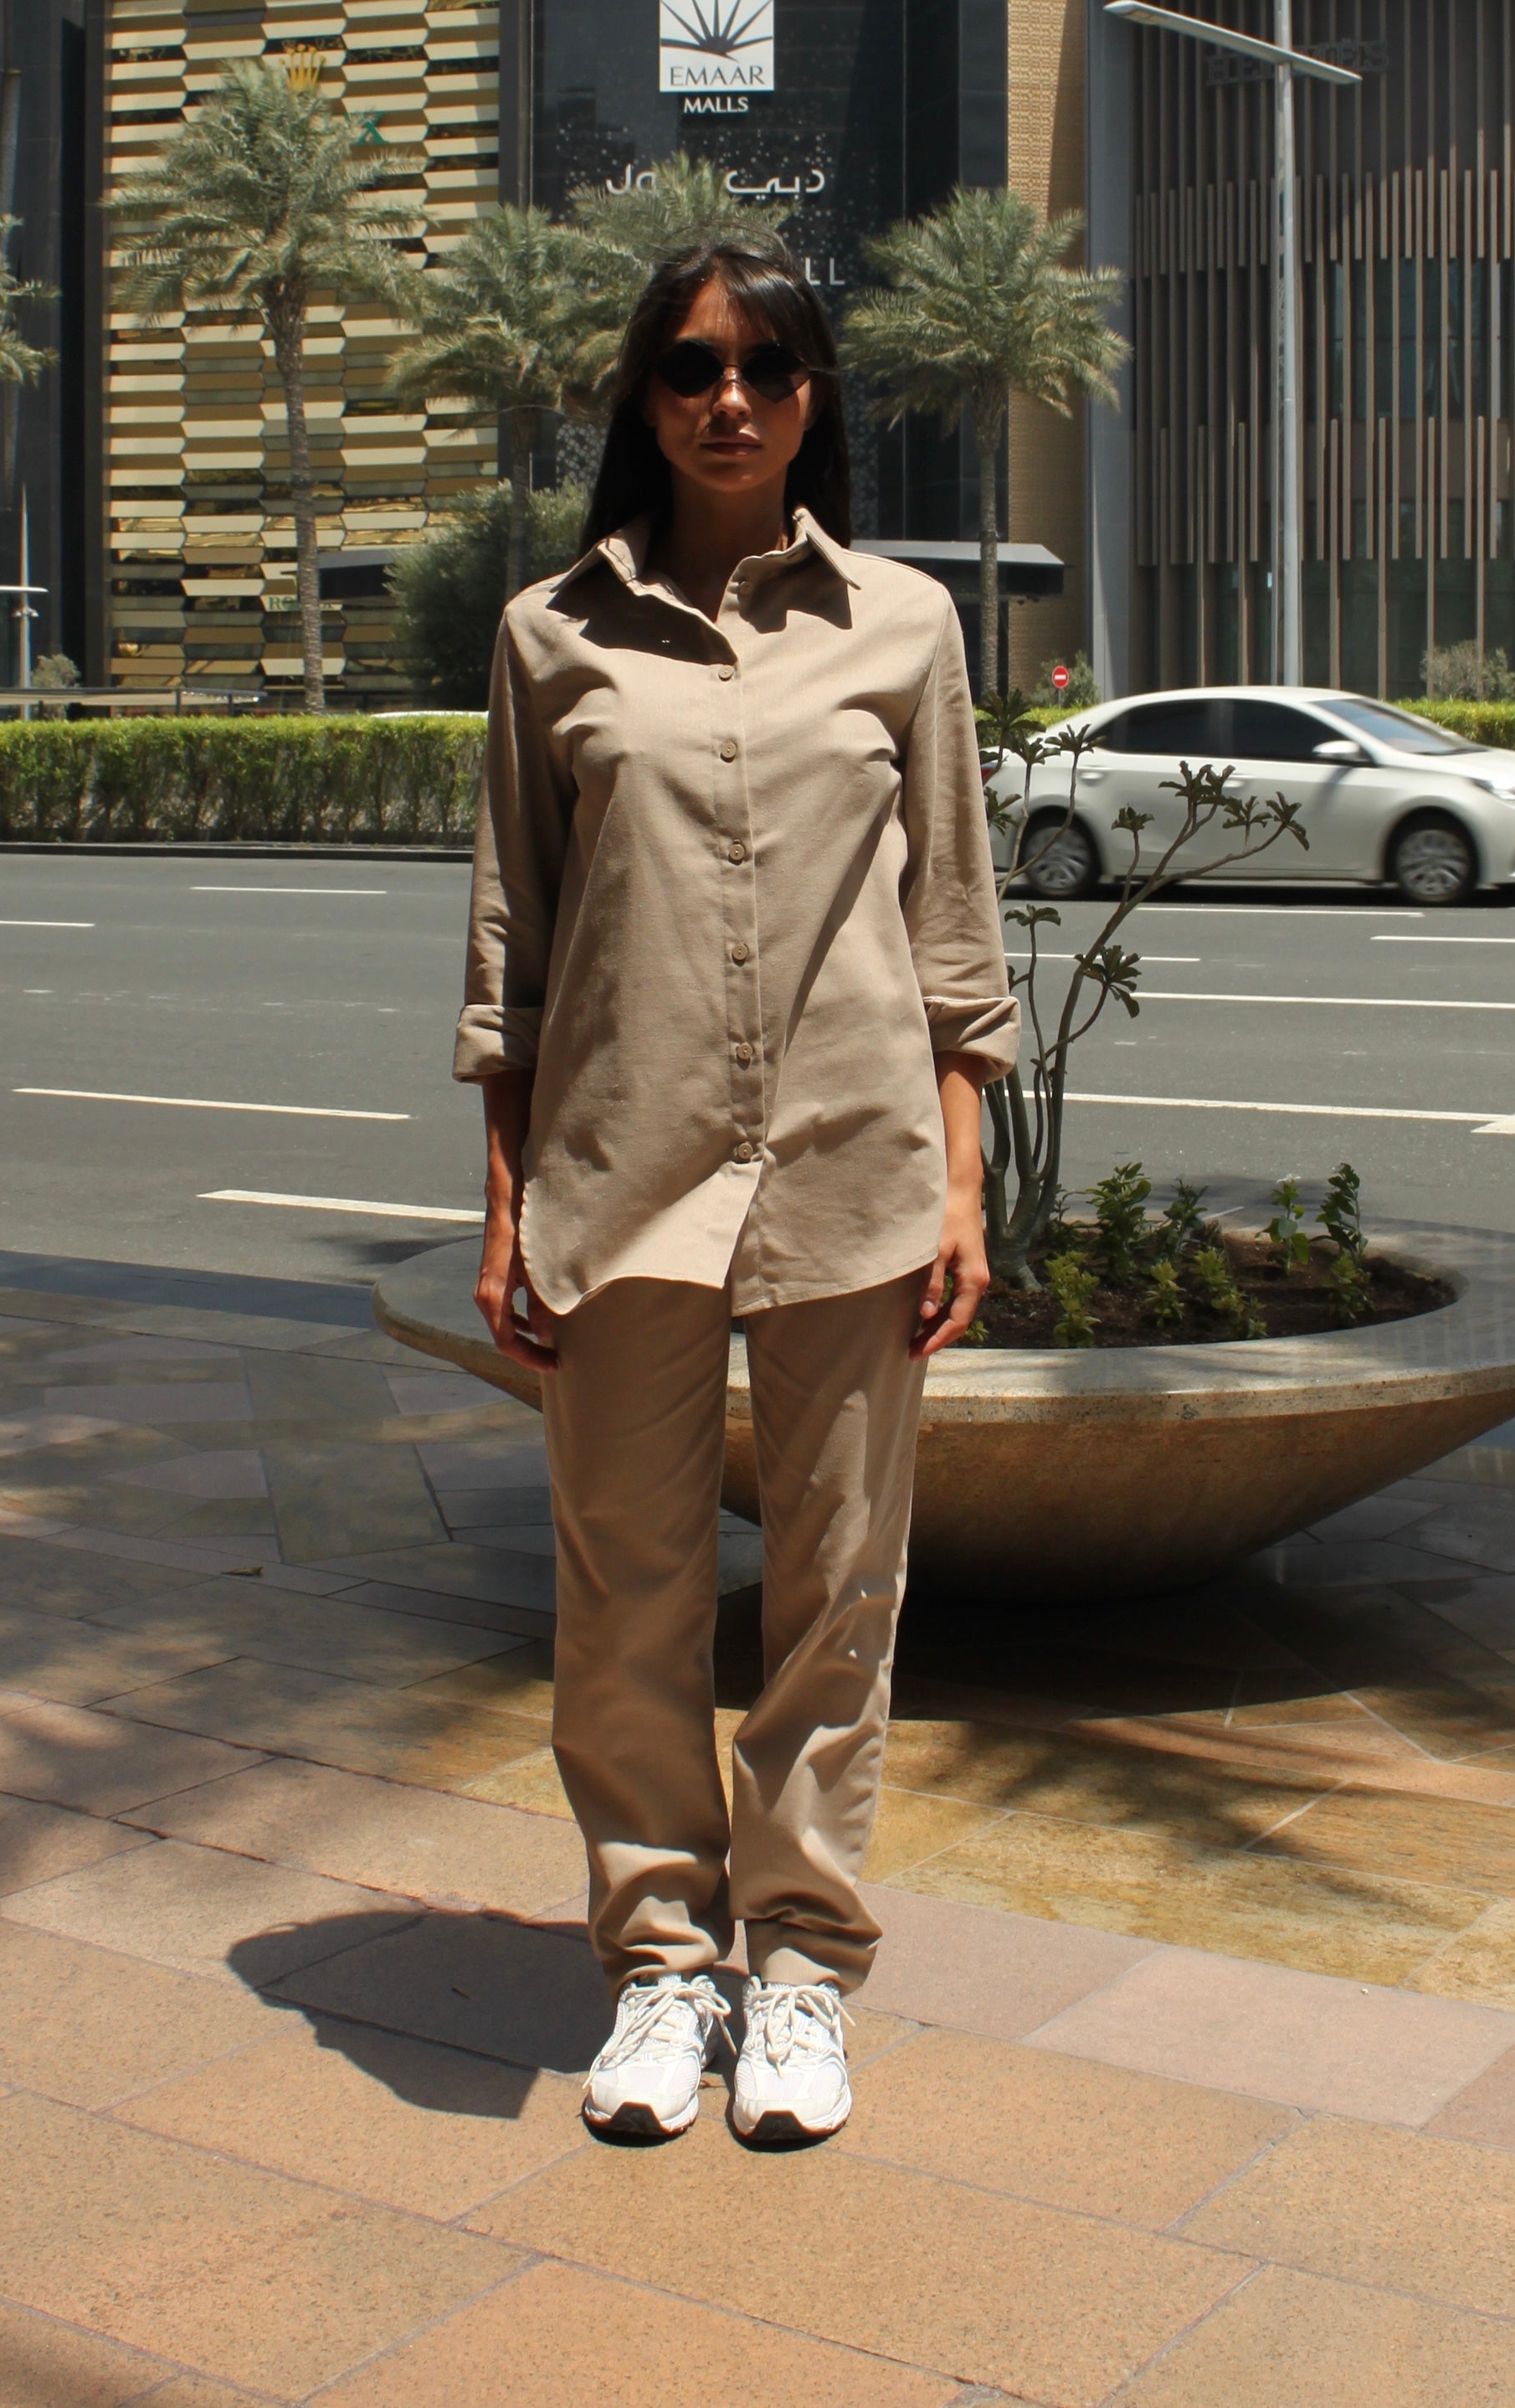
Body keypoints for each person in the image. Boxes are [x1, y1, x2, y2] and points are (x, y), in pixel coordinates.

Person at [455, 232, 1018, 2144]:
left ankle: (797, 1969)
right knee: (624, 1589)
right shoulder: (551, 636)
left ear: (808, 399)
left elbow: (954, 932)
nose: (727, 400)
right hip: (620, 1176)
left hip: (855, 1170)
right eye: (691, 366)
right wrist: (504, 1206)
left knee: (838, 1588)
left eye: (765, 368)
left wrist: (961, 1180)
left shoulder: (903, 627)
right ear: (642, 393)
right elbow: (513, 960)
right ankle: (657, 1962)